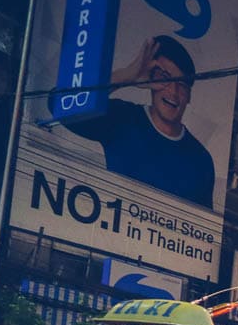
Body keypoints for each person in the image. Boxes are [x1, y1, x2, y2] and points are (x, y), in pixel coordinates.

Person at [59, 36, 215, 209]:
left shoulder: (201, 160)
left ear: (189, 95)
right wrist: (126, 76)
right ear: (151, 79)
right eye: (164, 78)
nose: (173, 91)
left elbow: (203, 229)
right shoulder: (123, 118)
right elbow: (62, 105)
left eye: (182, 84)